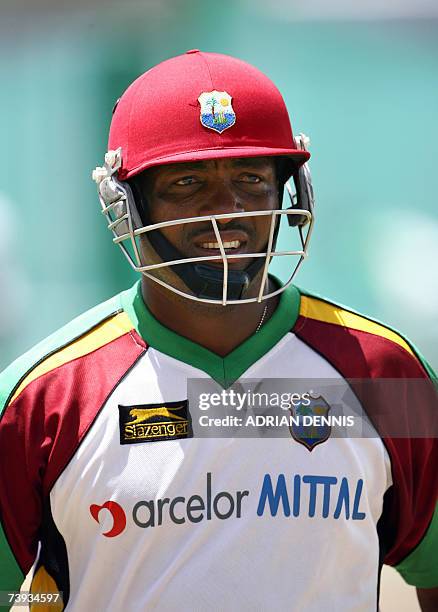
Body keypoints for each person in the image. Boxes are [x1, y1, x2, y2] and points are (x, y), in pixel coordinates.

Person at [0, 50, 436, 612]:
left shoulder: (383, 372)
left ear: (290, 191)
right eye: (187, 182)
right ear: (125, 202)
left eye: (251, 178)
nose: (225, 209)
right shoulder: (46, 397)